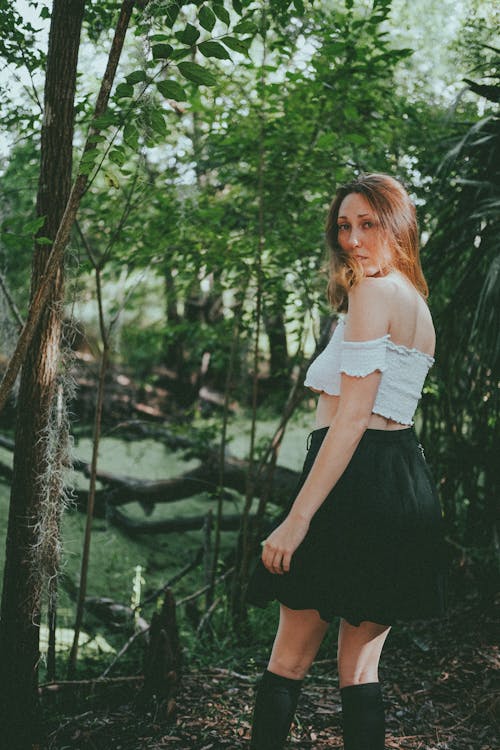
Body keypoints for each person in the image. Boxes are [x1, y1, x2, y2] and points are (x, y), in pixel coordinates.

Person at [245, 173, 448, 749]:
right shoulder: (417, 303)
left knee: (288, 659)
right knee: (360, 672)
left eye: (367, 224)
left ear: (398, 225)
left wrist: (298, 518)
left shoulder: (372, 292)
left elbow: (353, 417)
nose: (352, 240)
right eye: (343, 226)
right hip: (404, 484)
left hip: (352, 483)